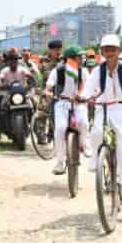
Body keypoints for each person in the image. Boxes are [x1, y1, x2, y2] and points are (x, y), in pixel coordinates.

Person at [83, 33, 122, 205]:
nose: (109, 53)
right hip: (103, 108)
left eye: (113, 50)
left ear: (118, 51)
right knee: (96, 133)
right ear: (102, 52)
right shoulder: (98, 71)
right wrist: (84, 97)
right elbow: (87, 90)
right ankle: (96, 158)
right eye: (106, 50)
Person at [45, 45, 90, 174]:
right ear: (71, 59)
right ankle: (60, 162)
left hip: (79, 103)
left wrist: (85, 96)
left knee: (84, 123)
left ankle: (84, 145)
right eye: (79, 57)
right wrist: (48, 93)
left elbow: (89, 87)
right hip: (62, 103)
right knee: (60, 129)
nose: (82, 59)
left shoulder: (83, 71)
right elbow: (48, 87)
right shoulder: (58, 71)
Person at [0, 47, 34, 145]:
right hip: (9, 95)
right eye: (11, 60)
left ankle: (33, 126)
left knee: (32, 106)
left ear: (17, 61)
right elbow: (1, 79)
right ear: (8, 61)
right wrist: (0, 84)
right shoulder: (5, 71)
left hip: (22, 95)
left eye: (15, 60)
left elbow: (29, 76)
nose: (13, 62)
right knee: (2, 110)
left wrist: (31, 81)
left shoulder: (23, 70)